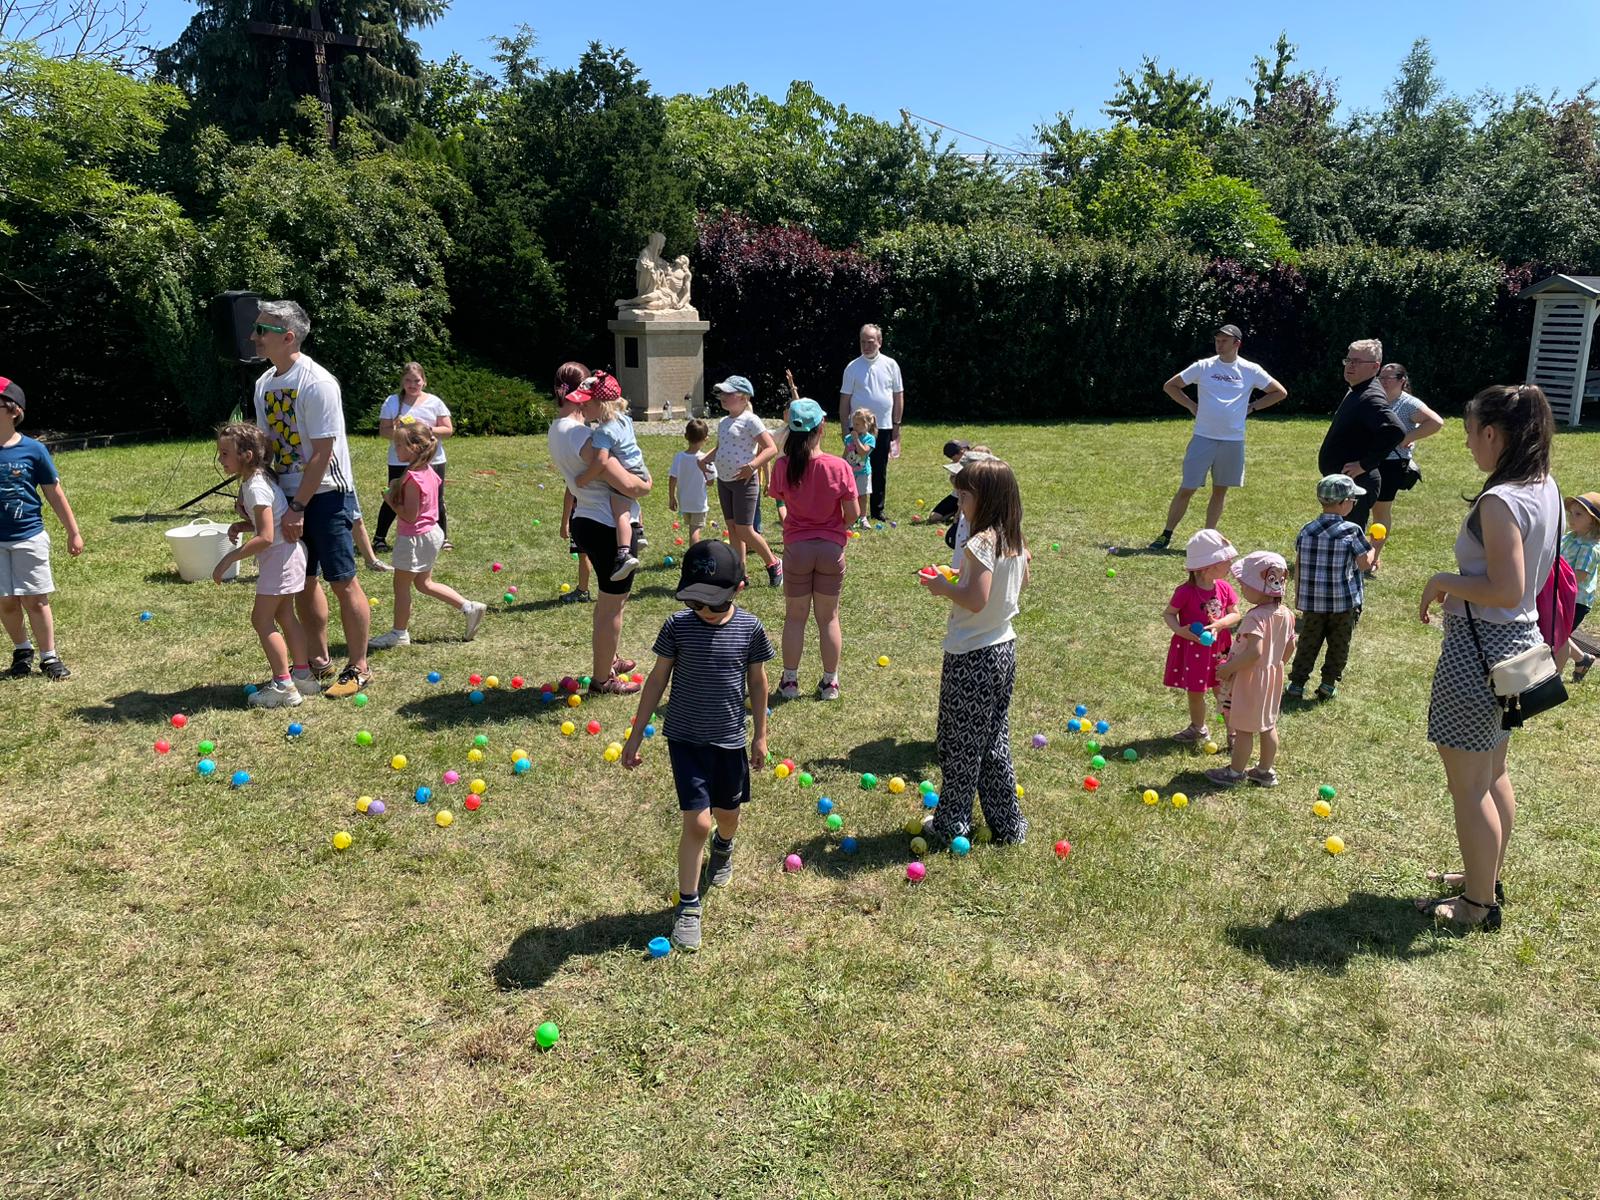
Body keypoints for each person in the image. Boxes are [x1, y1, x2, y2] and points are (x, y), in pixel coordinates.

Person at [1418, 383, 1563, 931]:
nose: (1467, 444)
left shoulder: (1500, 501)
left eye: (1469, 433)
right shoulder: (1544, 485)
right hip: (1517, 647)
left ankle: (1478, 904)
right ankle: (1485, 873)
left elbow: (1505, 588)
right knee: (1493, 771)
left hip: (1479, 651)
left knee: (1470, 784)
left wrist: (1442, 580)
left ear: (1492, 433)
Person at [621, 540, 773, 952]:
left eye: (713, 602)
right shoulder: (677, 626)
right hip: (684, 740)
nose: (703, 610)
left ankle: (724, 847)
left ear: (738, 589)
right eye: (695, 601)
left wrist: (760, 734)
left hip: (729, 741)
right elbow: (657, 680)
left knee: (727, 817)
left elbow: (757, 682)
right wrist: (635, 734)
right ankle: (688, 907)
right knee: (698, 823)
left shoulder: (750, 628)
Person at [251, 299, 372, 698]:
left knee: (343, 580)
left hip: (326, 495)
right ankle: (318, 660)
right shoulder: (264, 384)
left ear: (288, 337)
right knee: (303, 581)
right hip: (288, 497)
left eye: (262, 330)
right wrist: (256, 491)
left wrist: (299, 507)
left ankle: (359, 667)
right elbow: (267, 445)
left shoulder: (317, 383)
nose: (253, 337)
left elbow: (321, 453)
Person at [917, 456, 1031, 847]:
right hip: (1002, 647)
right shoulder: (1013, 538)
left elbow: (976, 599)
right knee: (993, 740)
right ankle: (1008, 825)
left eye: (964, 497)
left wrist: (943, 587)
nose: (960, 504)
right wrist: (960, 576)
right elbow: (1018, 583)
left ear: (985, 498)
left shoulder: (981, 541)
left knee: (959, 743)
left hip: (973, 654)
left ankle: (951, 823)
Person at [547, 360, 652, 695]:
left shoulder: (556, 429)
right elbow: (630, 485)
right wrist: (646, 485)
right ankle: (603, 679)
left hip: (586, 520)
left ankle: (610, 659)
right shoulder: (585, 436)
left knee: (608, 603)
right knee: (611, 608)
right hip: (607, 525)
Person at [1150, 324, 1287, 549]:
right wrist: (1191, 405)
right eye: (1217, 340)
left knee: (1220, 490)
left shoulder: (1250, 370)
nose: (1219, 344)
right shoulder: (1203, 366)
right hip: (1203, 437)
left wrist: (1252, 407)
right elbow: (1171, 386)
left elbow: (1279, 392)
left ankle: (1208, 540)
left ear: (1237, 343)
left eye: (1224, 340)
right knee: (1187, 488)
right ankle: (1166, 534)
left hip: (1233, 441)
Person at [765, 399, 860, 702]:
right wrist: (834, 527)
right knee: (828, 618)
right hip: (831, 549)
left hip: (797, 549)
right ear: (822, 427)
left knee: (795, 618)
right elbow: (853, 514)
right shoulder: (839, 466)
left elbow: (780, 501)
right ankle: (830, 683)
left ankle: (790, 682)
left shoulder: (783, 466)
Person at [213, 423, 310, 707]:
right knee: (285, 615)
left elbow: (266, 537)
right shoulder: (257, 479)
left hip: (280, 559)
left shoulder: (255, 487)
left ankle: (284, 686)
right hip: (286, 556)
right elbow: (270, 524)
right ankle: (303, 675)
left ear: (246, 456)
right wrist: (243, 525)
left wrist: (229, 558)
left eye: (225, 453)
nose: (220, 459)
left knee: (261, 620)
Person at [367, 419, 487, 650]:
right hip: (431, 533)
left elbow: (410, 515)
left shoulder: (413, 478)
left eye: (399, 445)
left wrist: (390, 500)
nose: (395, 448)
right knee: (424, 583)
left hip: (414, 538)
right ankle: (469, 607)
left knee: (401, 587)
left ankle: (399, 634)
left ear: (414, 447)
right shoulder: (427, 471)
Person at [0, 377, 84, 680]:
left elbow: (54, 493)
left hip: (28, 537)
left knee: (35, 599)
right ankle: (22, 650)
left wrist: (73, 531)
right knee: (6, 601)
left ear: (13, 410)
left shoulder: (33, 450)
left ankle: (49, 656)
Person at [1206, 551, 1295, 787]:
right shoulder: (1287, 614)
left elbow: (1254, 652)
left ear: (1260, 588)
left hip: (1250, 679)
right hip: (1272, 678)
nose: (1242, 588)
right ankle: (1265, 771)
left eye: (1245, 584)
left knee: (1244, 728)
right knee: (1268, 725)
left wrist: (1229, 668)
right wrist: (1276, 665)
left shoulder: (1255, 617)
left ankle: (1235, 773)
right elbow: (1291, 645)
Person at [1287, 475, 1379, 701]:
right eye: (1353, 500)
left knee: (1308, 642)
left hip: (1312, 602)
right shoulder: (1351, 530)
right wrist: (1374, 547)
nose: (1354, 503)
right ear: (1343, 503)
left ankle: (1297, 684)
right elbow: (1364, 564)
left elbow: (1299, 565)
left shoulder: (1307, 529)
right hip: (1343, 603)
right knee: (1339, 644)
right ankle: (1328, 684)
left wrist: (1299, 596)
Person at [1318, 338, 1407, 532]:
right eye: (1349, 360)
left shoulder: (1370, 397)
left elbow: (1395, 430)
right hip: (1345, 482)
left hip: (1355, 483)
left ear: (1375, 367)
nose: (1350, 365)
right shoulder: (1358, 390)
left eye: (1357, 362)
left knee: (1349, 537)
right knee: (1341, 535)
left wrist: (1364, 464)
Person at [1162, 529, 1242, 743]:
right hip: (1194, 651)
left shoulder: (1224, 588)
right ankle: (1198, 728)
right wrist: (1180, 630)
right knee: (1195, 693)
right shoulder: (1185, 592)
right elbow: (1169, 614)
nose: (1231, 564)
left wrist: (1220, 623)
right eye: (1226, 560)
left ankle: (1234, 733)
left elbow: (1236, 614)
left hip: (1220, 651)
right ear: (1209, 566)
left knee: (1223, 691)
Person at [573, 371, 650, 581]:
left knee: (620, 513)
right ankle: (639, 530)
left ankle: (624, 553)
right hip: (639, 467)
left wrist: (584, 479)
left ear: (601, 404)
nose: (581, 407)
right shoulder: (624, 419)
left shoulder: (603, 432)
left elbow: (601, 462)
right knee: (629, 500)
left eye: (586, 404)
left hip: (627, 472)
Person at [1369, 363, 1444, 575]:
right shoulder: (1375, 397)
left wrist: (1408, 438)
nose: (1383, 381)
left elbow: (1436, 422)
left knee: (1380, 511)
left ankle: (1373, 556)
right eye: (1380, 377)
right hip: (1369, 460)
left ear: (1402, 381)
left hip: (1392, 463)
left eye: (1389, 378)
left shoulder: (1408, 404)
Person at [707, 375, 782, 586]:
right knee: (732, 528)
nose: (723, 396)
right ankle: (740, 573)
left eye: (728, 393)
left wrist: (752, 466)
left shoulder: (751, 420)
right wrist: (705, 460)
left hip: (744, 482)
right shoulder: (723, 422)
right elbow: (721, 447)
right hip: (724, 480)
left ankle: (774, 563)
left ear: (743, 397)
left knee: (745, 529)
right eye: (721, 392)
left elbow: (771, 448)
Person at [373, 362, 453, 552]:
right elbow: (384, 431)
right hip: (399, 459)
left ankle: (442, 537)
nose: (412, 384)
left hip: (432, 459)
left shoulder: (435, 402)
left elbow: (448, 430)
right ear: (402, 381)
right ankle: (379, 538)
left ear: (424, 381)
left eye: (416, 380)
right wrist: (400, 431)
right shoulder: (392, 402)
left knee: (436, 497)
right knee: (395, 494)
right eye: (408, 380)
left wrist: (426, 429)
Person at [838, 324, 904, 521]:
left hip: (883, 426)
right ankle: (855, 510)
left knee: (879, 468)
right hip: (858, 428)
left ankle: (877, 510)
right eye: (863, 342)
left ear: (879, 342)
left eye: (870, 342)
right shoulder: (852, 367)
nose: (866, 346)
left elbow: (898, 395)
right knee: (855, 467)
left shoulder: (891, 365)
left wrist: (896, 424)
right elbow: (845, 400)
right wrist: (845, 428)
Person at [1559, 491, 1599, 681]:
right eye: (1571, 513)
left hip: (1576, 601)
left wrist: (1556, 585)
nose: (1571, 517)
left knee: (1556, 635)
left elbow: (1579, 576)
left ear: (1593, 521)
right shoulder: (1569, 538)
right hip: (1560, 595)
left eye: (1578, 514)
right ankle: (1582, 659)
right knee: (1554, 632)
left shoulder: (1589, 547)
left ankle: (1553, 677)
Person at [669, 419, 715, 546]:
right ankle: (694, 553)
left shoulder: (679, 457)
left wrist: (672, 497)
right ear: (706, 439)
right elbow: (710, 482)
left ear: (686, 436)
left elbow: (672, 478)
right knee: (695, 530)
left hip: (684, 501)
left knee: (691, 528)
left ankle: (692, 550)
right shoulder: (705, 459)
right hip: (698, 502)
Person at [842, 410, 877, 529]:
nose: (854, 427)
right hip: (850, 472)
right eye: (853, 423)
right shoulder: (848, 438)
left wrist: (856, 440)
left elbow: (863, 452)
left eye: (857, 424)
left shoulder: (869, 439)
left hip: (863, 472)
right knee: (850, 496)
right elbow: (846, 453)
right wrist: (842, 465)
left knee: (862, 495)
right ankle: (851, 519)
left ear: (866, 425)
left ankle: (863, 518)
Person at [929, 439, 969, 524]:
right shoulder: (954, 466)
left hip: (969, 497)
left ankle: (959, 513)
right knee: (933, 518)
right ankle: (954, 512)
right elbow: (958, 488)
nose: (964, 452)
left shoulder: (972, 461)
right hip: (956, 496)